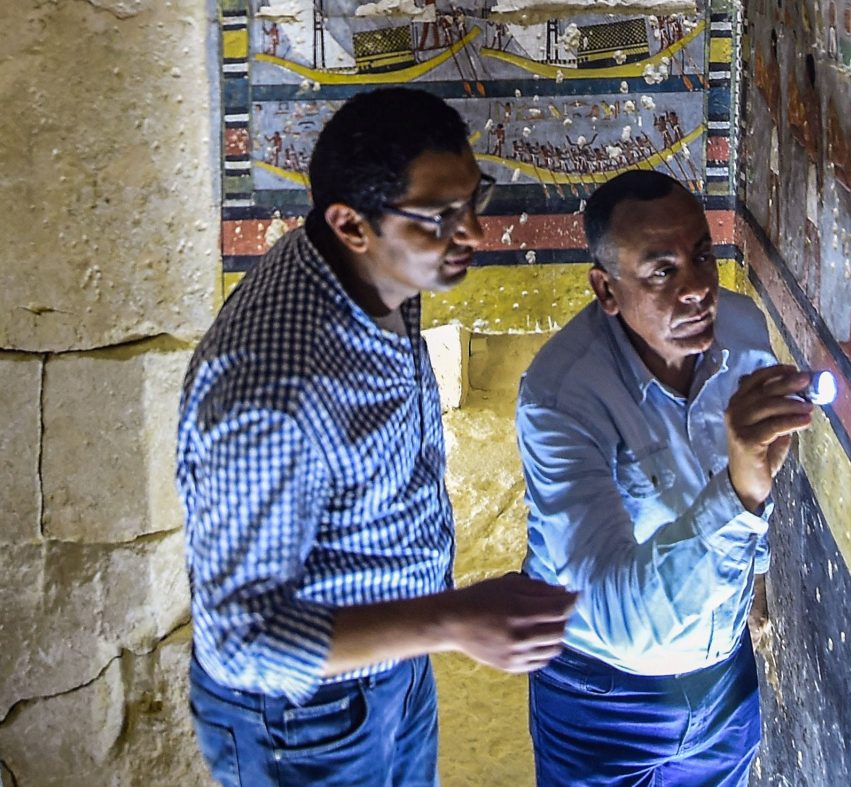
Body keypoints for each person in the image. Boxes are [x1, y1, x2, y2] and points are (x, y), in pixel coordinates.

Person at [178, 87, 575, 787]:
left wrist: (433, 624)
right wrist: (451, 619)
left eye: (473, 199)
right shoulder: (273, 388)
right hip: (303, 717)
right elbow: (240, 645)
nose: (475, 233)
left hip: (392, 662)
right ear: (350, 222)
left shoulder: (382, 270)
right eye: (441, 217)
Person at [519, 171, 817, 787]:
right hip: (601, 694)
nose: (697, 290)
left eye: (702, 256)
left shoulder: (740, 332)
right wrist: (738, 492)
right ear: (606, 289)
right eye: (661, 271)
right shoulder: (561, 397)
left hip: (722, 672)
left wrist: (753, 585)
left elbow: (755, 474)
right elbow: (614, 616)